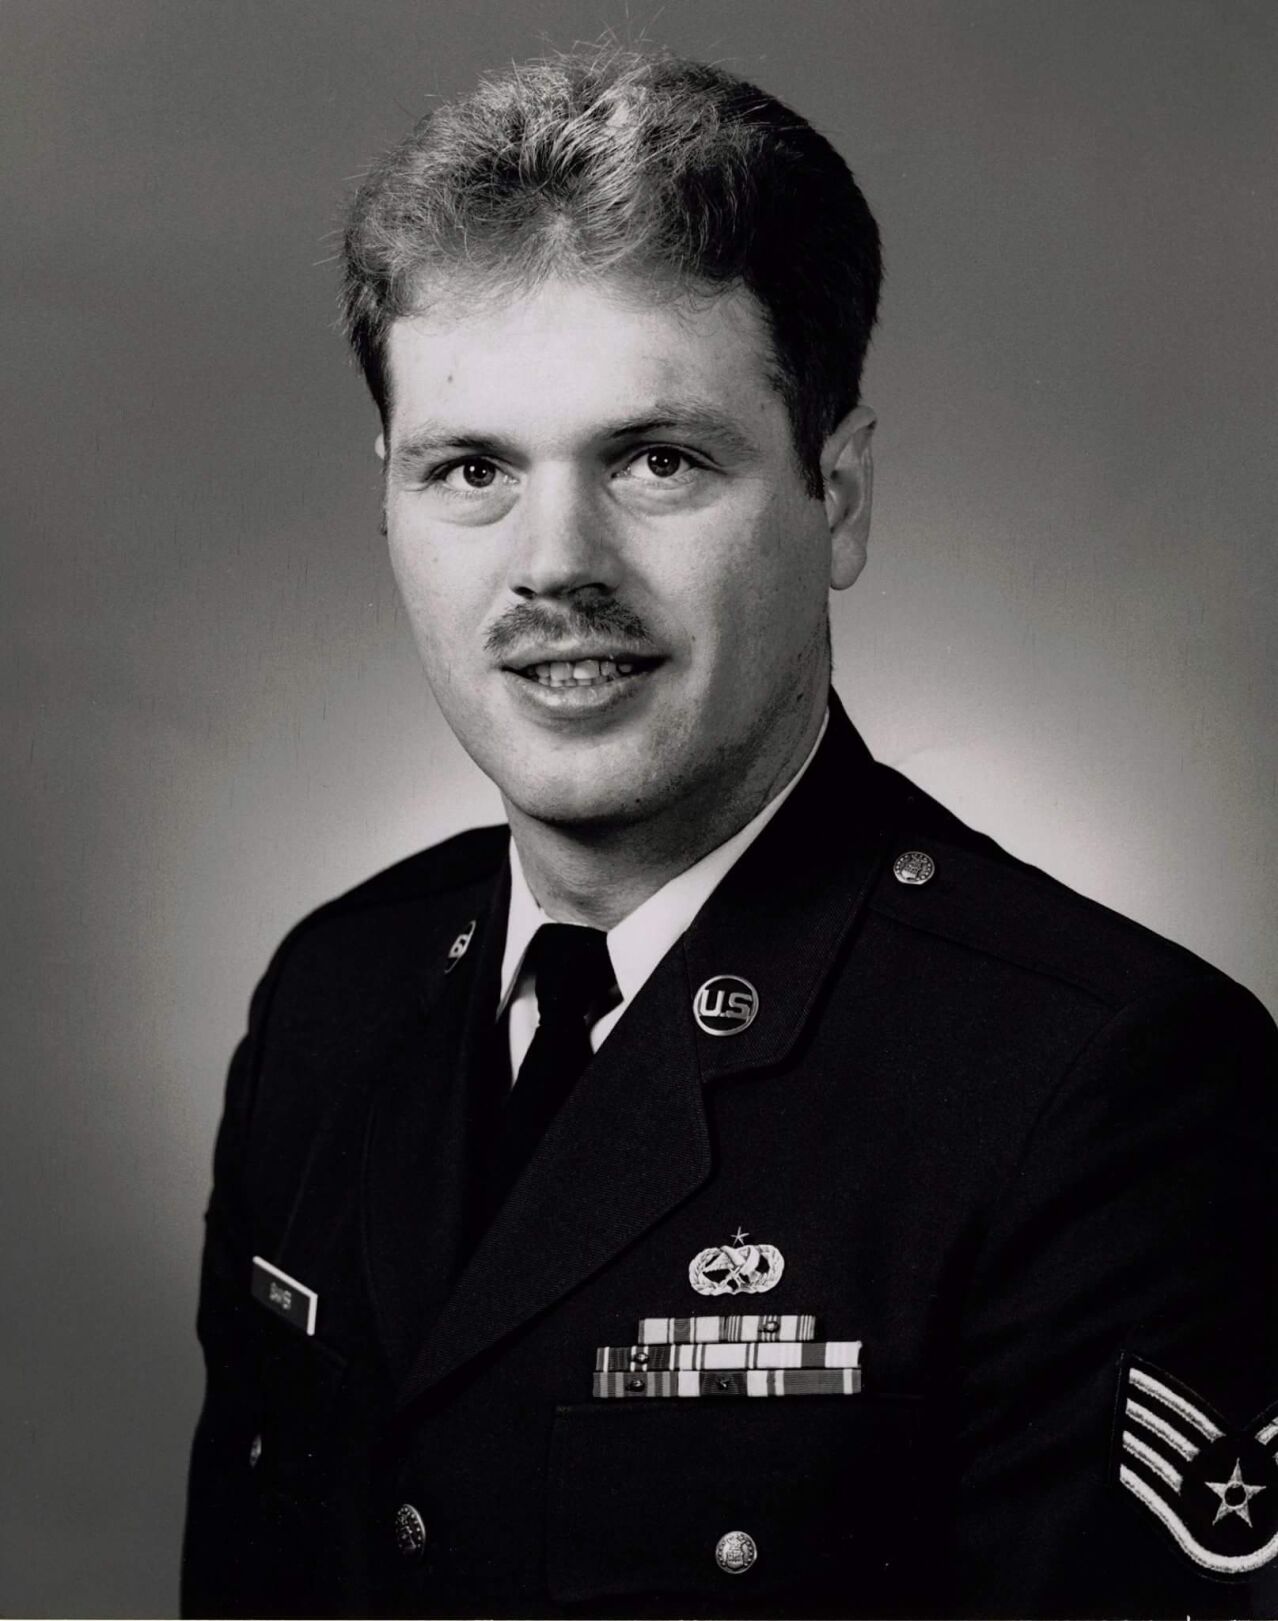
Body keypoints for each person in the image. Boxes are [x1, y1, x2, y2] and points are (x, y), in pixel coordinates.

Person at [181, 45, 1278, 1620]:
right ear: (388, 499)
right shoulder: (332, 997)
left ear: (837, 494)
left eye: (657, 460)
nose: (555, 564)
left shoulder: (1100, 1086)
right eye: (470, 469)